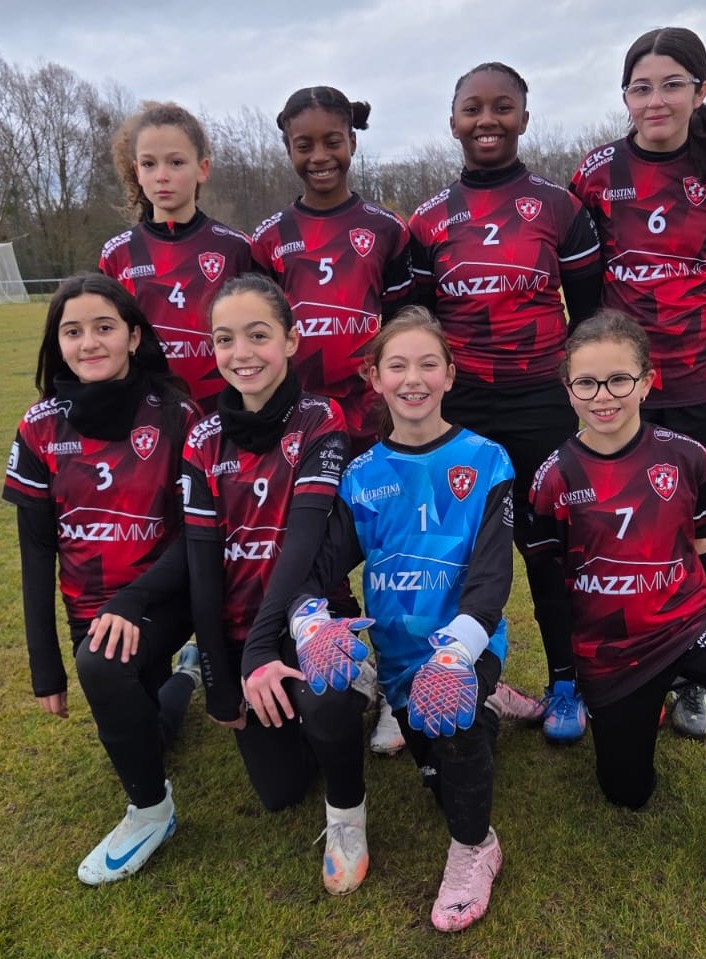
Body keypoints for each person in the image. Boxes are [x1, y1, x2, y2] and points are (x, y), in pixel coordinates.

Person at [88, 273, 374, 895]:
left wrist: (263, 649)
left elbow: (302, 547)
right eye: (224, 339)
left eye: (258, 335)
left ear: (291, 341)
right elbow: (202, 563)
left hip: (304, 616)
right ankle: (308, 705)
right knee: (280, 793)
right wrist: (222, 679)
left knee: (326, 699)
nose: (241, 353)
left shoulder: (321, 419)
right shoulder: (203, 437)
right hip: (244, 633)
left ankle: (348, 815)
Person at [527, 310, 706, 913]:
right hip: (613, 653)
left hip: (689, 626)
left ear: (647, 381)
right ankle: (643, 702)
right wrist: (571, 673)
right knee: (627, 794)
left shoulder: (689, 458)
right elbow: (551, 589)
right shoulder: (552, 479)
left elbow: (703, 549)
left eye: (619, 379)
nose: (603, 396)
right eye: (587, 383)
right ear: (567, 389)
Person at [247, 307, 514, 931]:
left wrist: (456, 654)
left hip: (467, 646)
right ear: (374, 377)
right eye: (397, 366)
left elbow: (491, 581)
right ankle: (490, 713)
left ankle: (476, 848)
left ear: (450, 374)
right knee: (437, 774)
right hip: (397, 659)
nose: (413, 379)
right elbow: (315, 570)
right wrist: (310, 623)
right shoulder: (361, 475)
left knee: (457, 727)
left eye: (428, 365)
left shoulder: (488, 459)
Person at [569, 27, 706, 738]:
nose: (655, 100)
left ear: (700, 91)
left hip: (700, 385)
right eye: (641, 87)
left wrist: (691, 327)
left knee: (694, 531)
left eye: (672, 85)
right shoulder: (596, 174)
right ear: (624, 96)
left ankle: (691, 679)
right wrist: (619, 363)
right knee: (612, 530)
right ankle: (613, 669)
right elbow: (584, 286)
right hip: (617, 394)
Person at [408, 62, 603, 744]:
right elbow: (418, 327)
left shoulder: (558, 208)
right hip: (460, 413)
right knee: (453, 552)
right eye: (472, 108)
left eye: (501, 107)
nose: (486, 119)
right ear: (452, 121)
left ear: (524, 116)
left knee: (547, 547)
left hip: (540, 407)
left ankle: (566, 683)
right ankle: (452, 676)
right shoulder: (428, 219)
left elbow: (588, 318)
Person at [2, 273, 202, 885]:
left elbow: (198, 537)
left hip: (163, 597)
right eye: (73, 331)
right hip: (87, 606)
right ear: (57, 343)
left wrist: (134, 602)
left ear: (134, 336)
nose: (89, 342)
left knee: (104, 666)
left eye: (104, 327)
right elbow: (36, 551)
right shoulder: (39, 426)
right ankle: (188, 676)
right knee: (146, 727)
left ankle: (152, 814)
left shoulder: (176, 414)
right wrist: (45, 666)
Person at [250, 85, 415, 756]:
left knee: (391, 550)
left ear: (352, 140)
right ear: (287, 148)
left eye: (332, 141)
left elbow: (403, 329)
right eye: (304, 145)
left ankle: (401, 683)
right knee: (316, 549)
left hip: (374, 422)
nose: (320, 156)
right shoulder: (267, 239)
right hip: (301, 429)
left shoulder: (387, 229)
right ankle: (345, 666)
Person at [100, 101, 255, 414]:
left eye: (176, 162)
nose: (162, 176)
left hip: (225, 416)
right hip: (147, 417)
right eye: (149, 164)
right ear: (137, 172)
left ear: (203, 169)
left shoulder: (237, 248)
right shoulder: (116, 255)